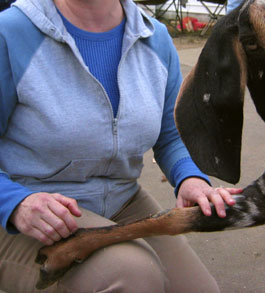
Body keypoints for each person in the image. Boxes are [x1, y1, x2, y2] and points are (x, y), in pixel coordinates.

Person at [0, 0, 242, 291]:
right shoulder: (10, 34)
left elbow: (171, 133)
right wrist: (14, 202)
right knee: (131, 276)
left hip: (122, 200)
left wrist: (189, 177)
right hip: (26, 217)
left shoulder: (155, 38)